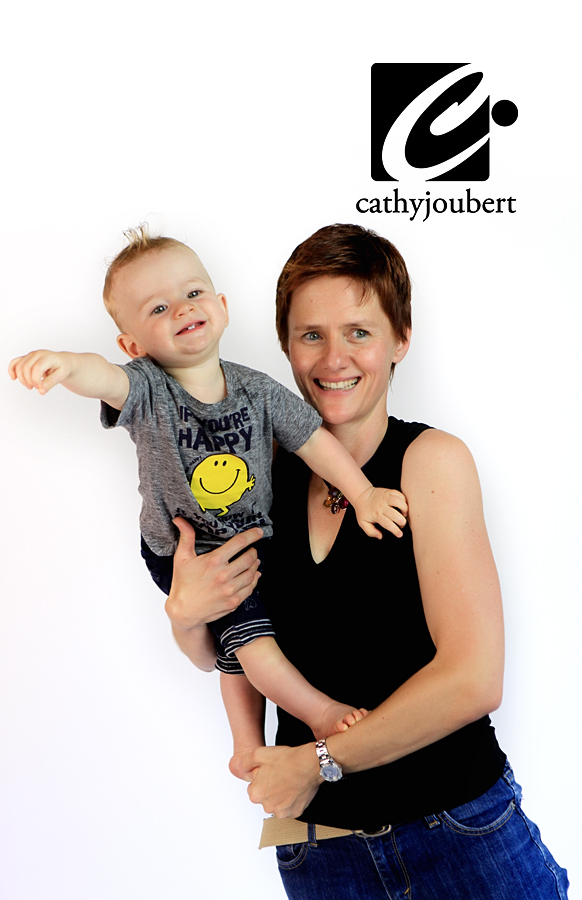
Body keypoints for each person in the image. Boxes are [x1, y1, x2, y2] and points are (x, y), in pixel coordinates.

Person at [164, 224, 569, 898]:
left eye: (359, 332)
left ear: (400, 339)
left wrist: (319, 761)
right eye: (311, 334)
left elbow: (474, 679)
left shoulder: (430, 463)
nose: (334, 359)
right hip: (318, 851)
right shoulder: (253, 475)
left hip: (459, 832)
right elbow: (224, 649)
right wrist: (184, 616)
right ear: (286, 344)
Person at [7, 224, 412, 759]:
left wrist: (363, 495)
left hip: (247, 539)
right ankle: (319, 713)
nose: (181, 309)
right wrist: (65, 364)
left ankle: (245, 746)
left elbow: (314, 441)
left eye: (193, 293)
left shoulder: (258, 390)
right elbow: (102, 376)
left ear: (221, 307)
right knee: (253, 635)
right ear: (133, 345)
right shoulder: (147, 388)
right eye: (158, 308)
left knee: (237, 644)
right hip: (185, 553)